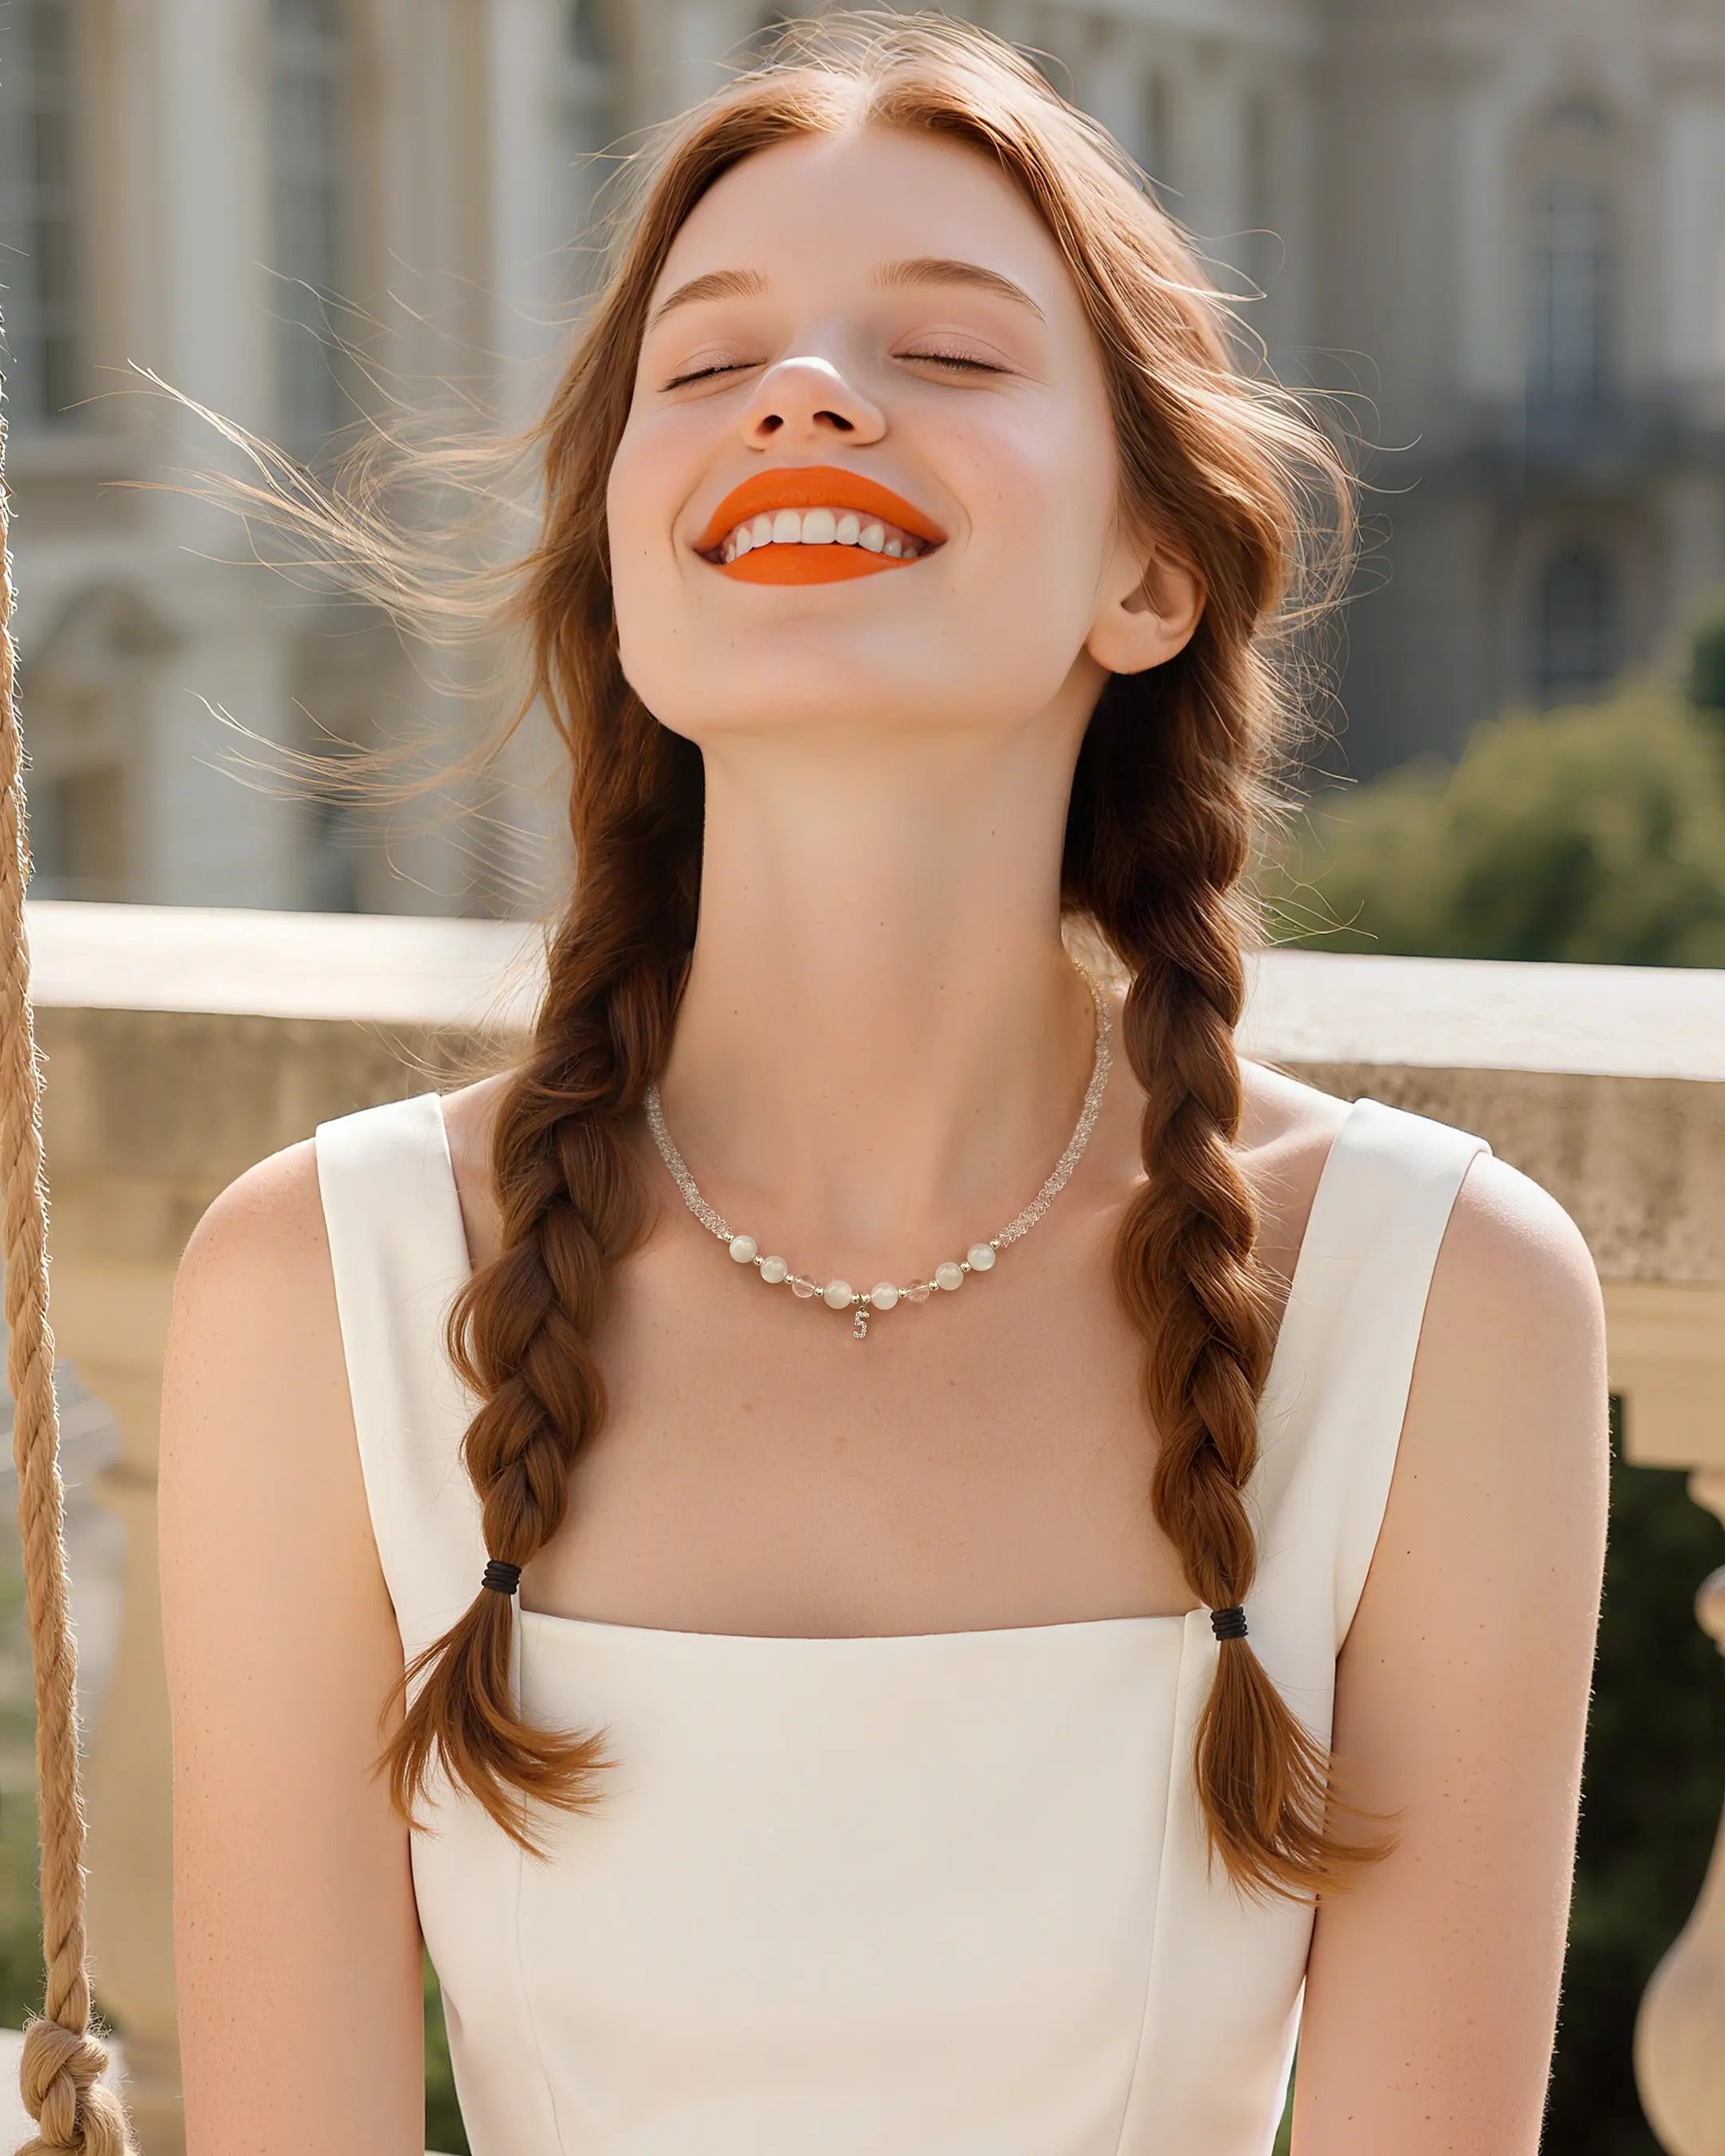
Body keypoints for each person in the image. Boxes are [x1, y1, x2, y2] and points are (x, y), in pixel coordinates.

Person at [155, 15, 1610, 2154]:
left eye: (946, 352)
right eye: (706, 357)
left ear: (1150, 572)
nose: (805, 392)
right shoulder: (317, 1287)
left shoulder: (1449, 1300)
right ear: (631, 551)